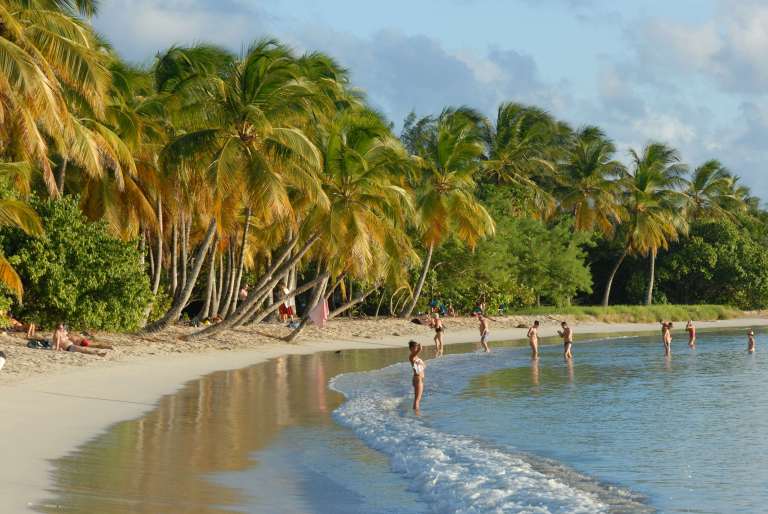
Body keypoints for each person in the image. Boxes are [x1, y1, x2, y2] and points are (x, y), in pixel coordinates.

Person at [408, 340, 425, 412]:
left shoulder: (416, 357)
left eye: (417, 347)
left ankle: (416, 413)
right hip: (417, 378)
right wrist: (420, 348)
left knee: (418, 398)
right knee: (417, 399)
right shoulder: (411, 356)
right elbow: (419, 350)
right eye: (415, 347)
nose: (417, 348)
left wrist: (421, 364)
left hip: (419, 378)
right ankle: (416, 415)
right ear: (411, 348)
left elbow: (424, 366)